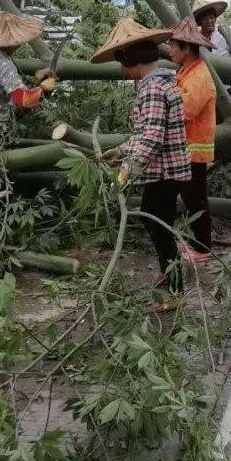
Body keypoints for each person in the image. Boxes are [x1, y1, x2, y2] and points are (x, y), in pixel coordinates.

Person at [91, 18, 191, 288]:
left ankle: (174, 289)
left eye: (123, 63)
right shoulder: (160, 83)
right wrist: (120, 151)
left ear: (130, 60)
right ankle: (167, 272)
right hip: (166, 169)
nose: (123, 70)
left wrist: (128, 169)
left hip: (165, 170)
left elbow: (152, 137)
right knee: (155, 220)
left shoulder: (153, 88)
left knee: (158, 225)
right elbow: (147, 131)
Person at [166, 17, 216, 262]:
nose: (169, 50)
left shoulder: (198, 77)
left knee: (195, 200)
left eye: (173, 46)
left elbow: (184, 111)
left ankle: (203, 249)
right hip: (185, 147)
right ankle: (196, 244)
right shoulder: (187, 71)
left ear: (186, 48)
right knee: (191, 198)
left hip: (193, 148)